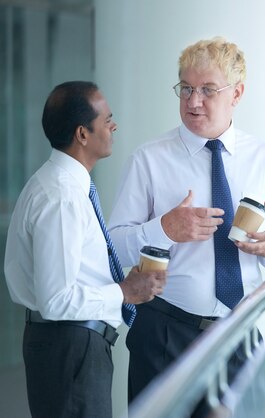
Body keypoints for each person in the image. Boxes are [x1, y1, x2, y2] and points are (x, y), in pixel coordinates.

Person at [108, 37, 265, 416]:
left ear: (237, 93)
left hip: (239, 334)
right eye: (186, 89)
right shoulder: (148, 159)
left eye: (208, 90)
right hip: (164, 333)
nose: (193, 102)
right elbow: (112, 247)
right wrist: (163, 228)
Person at [3, 81, 168, 418]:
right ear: (82, 134)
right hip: (71, 347)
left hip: (71, 345)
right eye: (107, 120)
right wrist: (122, 292)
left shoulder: (57, 185)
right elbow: (56, 300)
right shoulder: (60, 197)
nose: (114, 126)